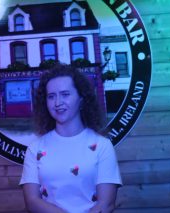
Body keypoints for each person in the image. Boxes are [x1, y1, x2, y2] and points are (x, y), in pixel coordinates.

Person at [20, 64, 122, 213]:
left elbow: (106, 204)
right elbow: (32, 202)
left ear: (81, 98)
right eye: (51, 96)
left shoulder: (102, 146)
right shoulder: (35, 149)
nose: (57, 102)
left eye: (65, 94)